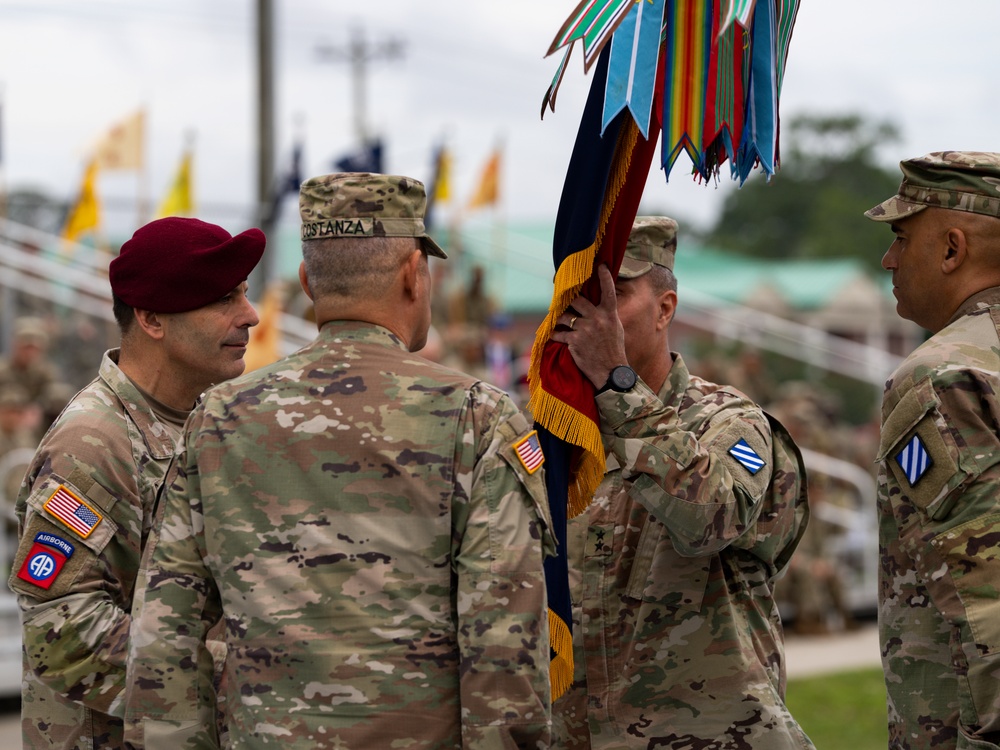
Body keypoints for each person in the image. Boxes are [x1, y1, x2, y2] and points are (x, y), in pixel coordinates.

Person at [124, 172, 555, 749]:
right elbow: (504, 647)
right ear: (412, 274)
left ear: (307, 282)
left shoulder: (216, 419)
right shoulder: (476, 417)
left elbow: (166, 638)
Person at [549, 217, 814, 749]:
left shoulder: (727, 421)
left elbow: (711, 516)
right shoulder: (556, 432)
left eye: (613, 296)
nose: (590, 317)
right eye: (577, 298)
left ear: (664, 309)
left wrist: (618, 386)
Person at [7, 216, 264, 750]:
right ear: (151, 319)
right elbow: (63, 631)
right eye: (222, 299)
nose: (250, 316)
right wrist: (241, 677)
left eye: (244, 293)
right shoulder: (94, 442)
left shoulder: (204, 420)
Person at [865, 151, 1000, 749]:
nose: (888, 259)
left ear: (952, 249)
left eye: (900, 236)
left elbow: (986, 596)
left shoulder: (944, 374)